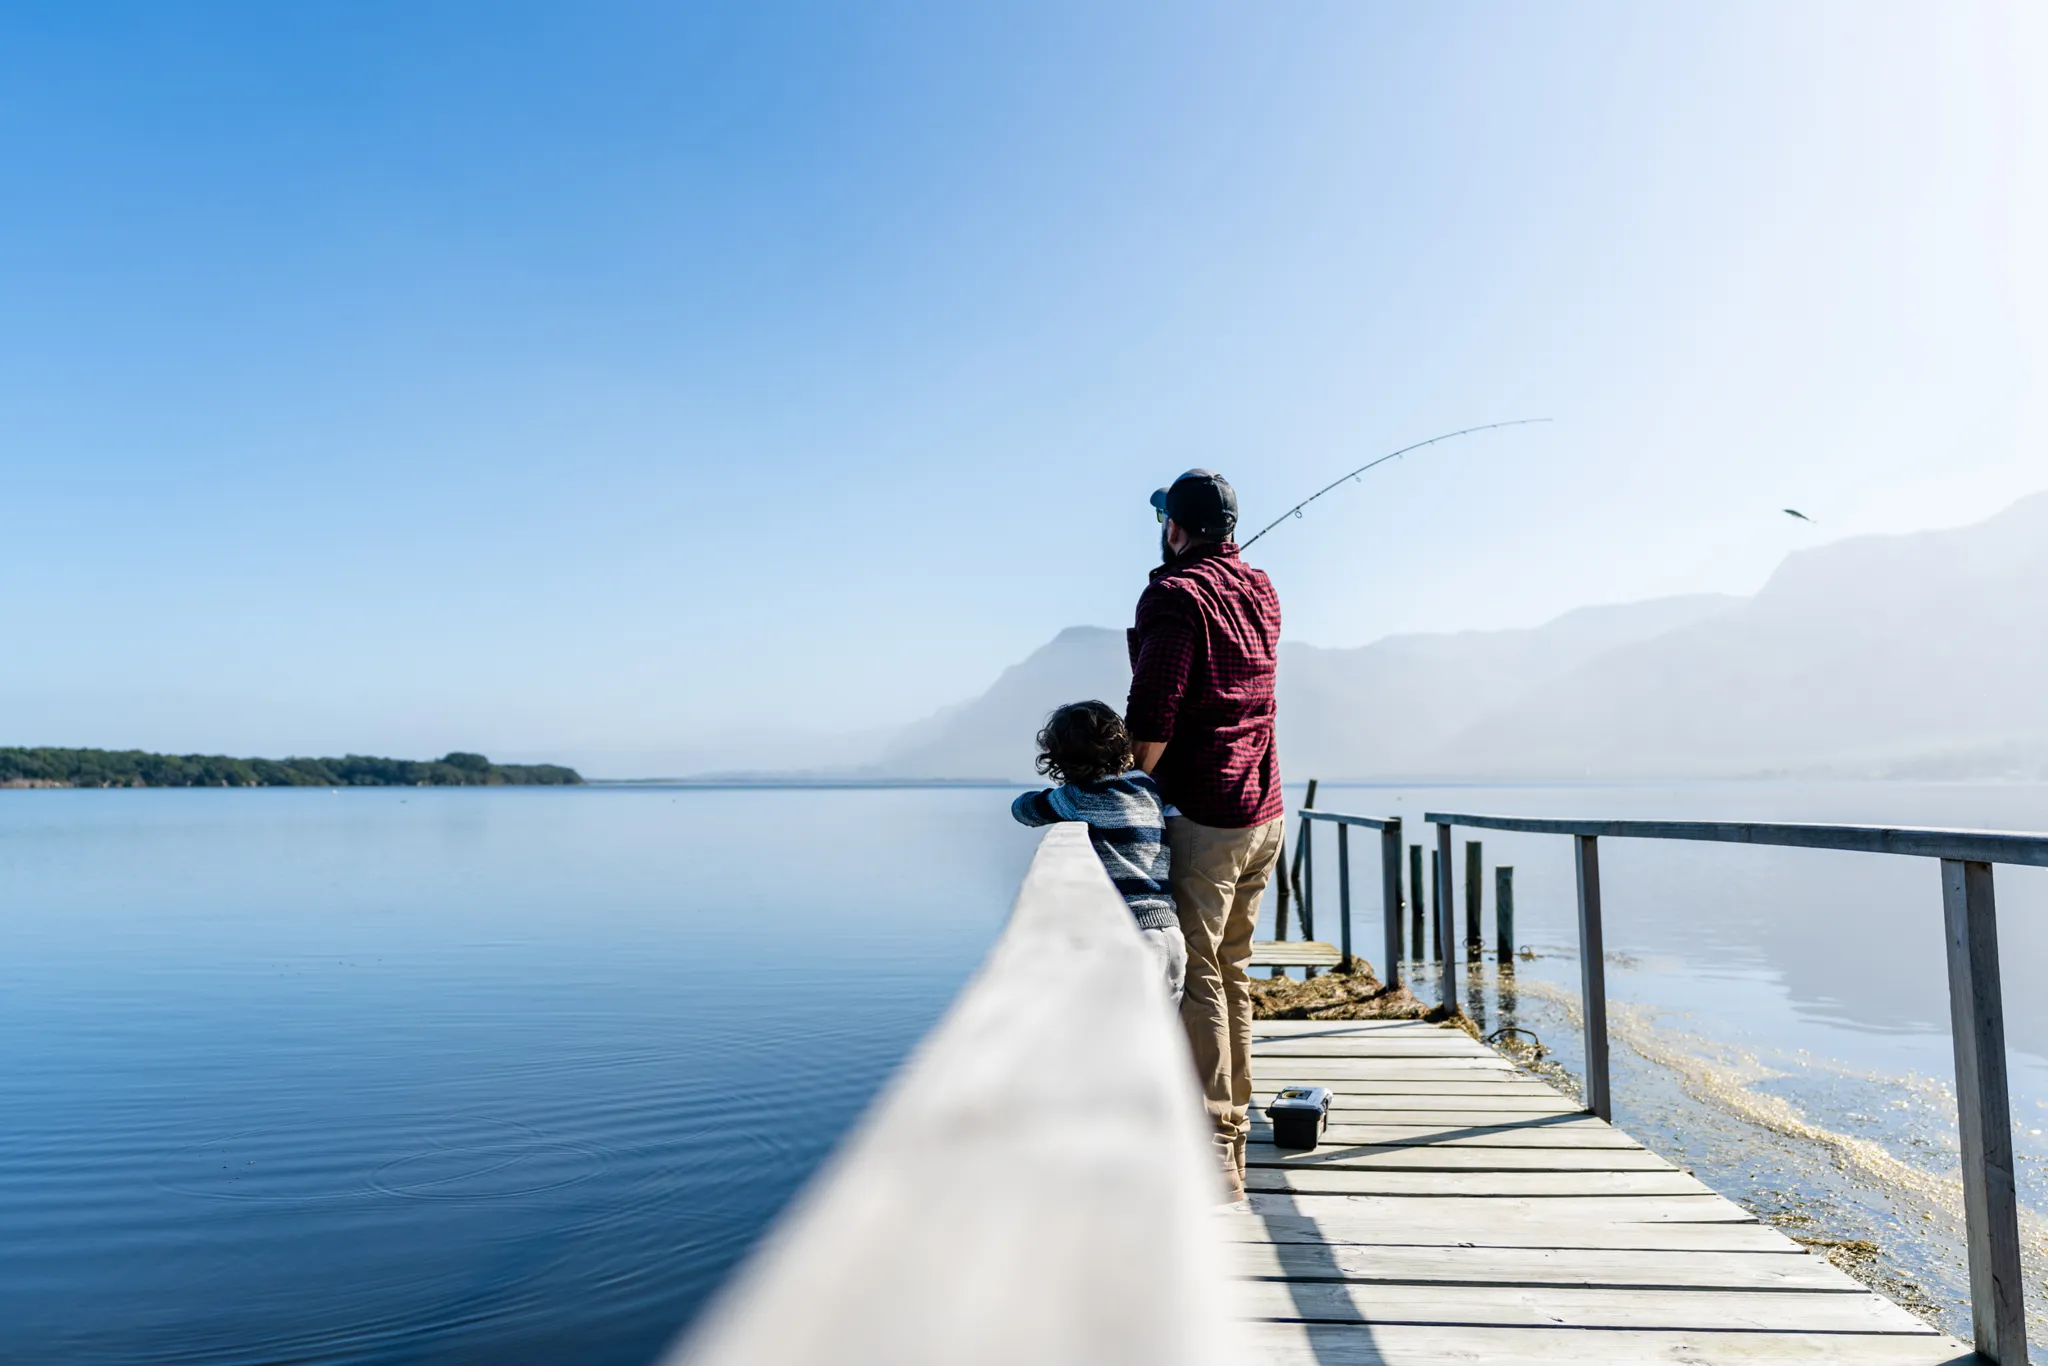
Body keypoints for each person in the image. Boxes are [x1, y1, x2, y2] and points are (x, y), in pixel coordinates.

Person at [1126, 469, 1283, 1203]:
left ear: (1175, 528)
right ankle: (1234, 1135)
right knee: (1234, 973)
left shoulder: (1174, 595)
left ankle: (1215, 1153)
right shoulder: (1262, 589)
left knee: (1200, 981)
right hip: (1265, 811)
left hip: (1208, 818)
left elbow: (1156, 711)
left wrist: (1122, 784)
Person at [1010, 700, 1186, 1002]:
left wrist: (1057, 794)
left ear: (1060, 758)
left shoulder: (1082, 796)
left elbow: (1023, 810)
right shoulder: (1145, 786)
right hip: (1171, 932)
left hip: (1133, 934)